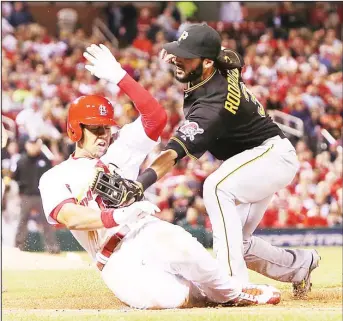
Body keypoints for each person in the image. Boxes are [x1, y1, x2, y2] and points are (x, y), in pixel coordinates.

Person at [39, 44, 280, 309]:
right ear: (75, 130)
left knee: (179, 243)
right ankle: (209, 294)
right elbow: (71, 217)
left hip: (145, 231)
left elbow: (155, 118)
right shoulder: (54, 177)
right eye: (96, 129)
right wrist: (116, 216)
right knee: (172, 300)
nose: (104, 135)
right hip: (115, 259)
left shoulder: (120, 147)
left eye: (106, 128)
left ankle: (232, 291)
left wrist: (120, 76)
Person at [112, 23, 320, 299]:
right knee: (237, 242)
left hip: (270, 155)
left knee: (216, 186)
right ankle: (299, 265)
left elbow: (173, 153)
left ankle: (233, 283)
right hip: (257, 160)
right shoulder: (223, 64)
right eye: (178, 52)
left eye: (186, 56)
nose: (177, 59)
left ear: (207, 62)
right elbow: (232, 57)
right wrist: (178, 53)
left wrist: (141, 184)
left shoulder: (211, 106)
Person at [14, 138, 60, 253]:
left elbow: (51, 177)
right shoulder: (21, 160)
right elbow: (16, 177)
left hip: (42, 196)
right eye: (31, 144)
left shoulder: (44, 159)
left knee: (46, 222)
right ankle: (18, 247)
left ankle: (52, 247)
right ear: (27, 145)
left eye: (36, 144)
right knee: (22, 221)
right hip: (26, 195)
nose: (34, 147)